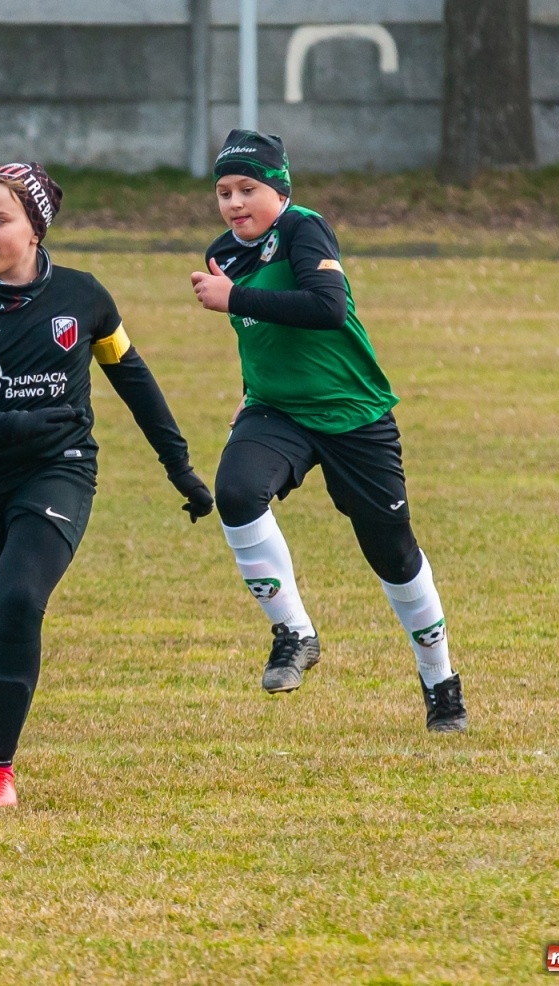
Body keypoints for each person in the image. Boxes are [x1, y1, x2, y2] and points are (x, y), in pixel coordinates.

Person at [0, 163, 215, 808]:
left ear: (35, 228)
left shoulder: (83, 299)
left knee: (20, 598)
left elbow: (134, 382)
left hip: (61, 470)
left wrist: (181, 468)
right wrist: (19, 422)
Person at [190, 128, 467, 732]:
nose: (235, 203)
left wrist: (235, 298)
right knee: (235, 493)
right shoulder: (226, 251)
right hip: (278, 411)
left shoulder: (304, 229)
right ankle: (294, 632)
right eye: (224, 192)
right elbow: (263, 337)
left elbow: (326, 308)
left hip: (354, 415)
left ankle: (440, 681)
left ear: (280, 190)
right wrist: (248, 392)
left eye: (248, 189)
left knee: (393, 553)